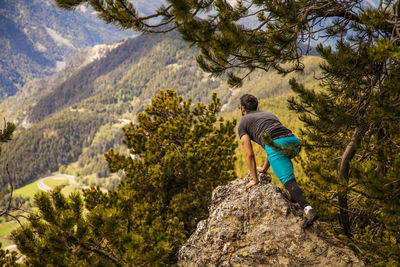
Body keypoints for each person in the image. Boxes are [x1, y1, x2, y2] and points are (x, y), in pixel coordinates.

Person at [238, 94, 318, 228]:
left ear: (242, 108)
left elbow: (249, 154)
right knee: (284, 162)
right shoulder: (269, 113)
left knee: (289, 182)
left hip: (276, 145)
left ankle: (308, 210)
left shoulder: (243, 122)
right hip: (293, 141)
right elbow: (274, 143)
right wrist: (264, 169)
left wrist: (255, 179)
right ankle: (294, 195)